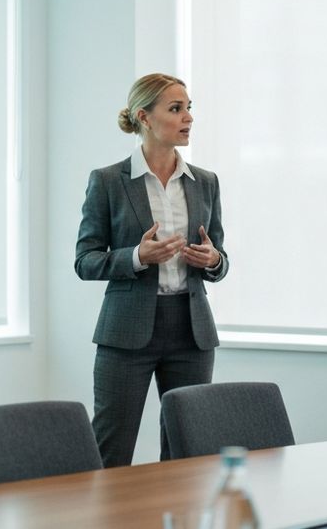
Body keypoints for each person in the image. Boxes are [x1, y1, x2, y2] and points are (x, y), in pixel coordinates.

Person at [75, 72, 230, 467]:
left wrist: (212, 261)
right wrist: (137, 257)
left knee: (187, 453)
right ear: (144, 117)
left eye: (188, 108)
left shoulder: (205, 183)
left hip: (191, 332)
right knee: (111, 451)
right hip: (127, 333)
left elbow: (220, 258)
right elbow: (85, 260)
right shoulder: (108, 182)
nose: (188, 117)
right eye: (176, 109)